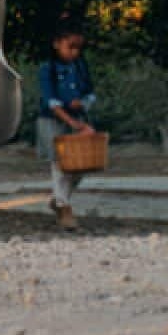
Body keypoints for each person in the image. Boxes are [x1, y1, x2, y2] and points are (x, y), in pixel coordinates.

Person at [34, 28, 101, 230]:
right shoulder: (48, 69)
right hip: (53, 121)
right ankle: (64, 206)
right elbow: (51, 102)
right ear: (57, 44)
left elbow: (90, 93)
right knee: (60, 164)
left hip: (76, 119)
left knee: (81, 165)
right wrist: (72, 122)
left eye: (78, 48)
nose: (74, 53)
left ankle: (59, 199)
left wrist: (82, 104)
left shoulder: (80, 67)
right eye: (70, 47)